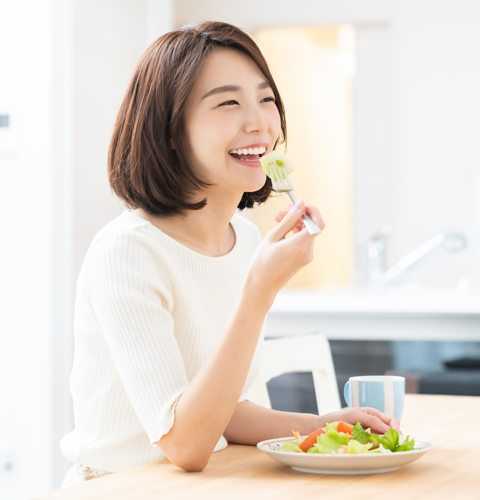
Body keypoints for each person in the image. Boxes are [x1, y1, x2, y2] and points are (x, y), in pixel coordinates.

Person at [60, 21, 400, 487]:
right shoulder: (127, 253)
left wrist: (324, 423)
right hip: (124, 487)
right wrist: (259, 292)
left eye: (265, 98)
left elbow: (222, 411)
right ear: (171, 130)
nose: (259, 121)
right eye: (228, 102)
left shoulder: (239, 237)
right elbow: (184, 443)